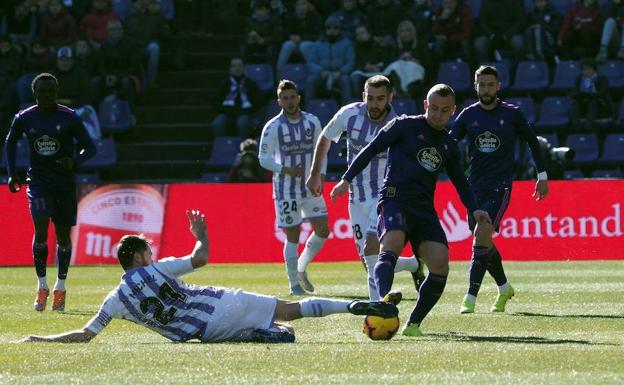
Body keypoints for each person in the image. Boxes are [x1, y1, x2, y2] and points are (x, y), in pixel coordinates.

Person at [16, 210, 398, 344]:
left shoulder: (114, 300)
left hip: (203, 333)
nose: (151, 254)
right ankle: (354, 306)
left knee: (283, 328)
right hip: (220, 302)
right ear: (137, 256)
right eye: (146, 250)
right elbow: (201, 259)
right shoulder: (158, 267)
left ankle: (260, 334)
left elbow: (85, 335)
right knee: (293, 311)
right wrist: (202, 237)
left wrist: (41, 337)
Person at [330, 84, 490, 337]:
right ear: (426, 105)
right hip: (394, 198)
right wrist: (346, 179)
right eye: (434, 108)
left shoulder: (449, 145)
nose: (438, 114)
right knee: (392, 243)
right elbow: (370, 149)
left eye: (444, 110)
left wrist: (474, 209)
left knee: (440, 265)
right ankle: (384, 301)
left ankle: (413, 324)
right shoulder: (404, 125)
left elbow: (461, 181)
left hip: (424, 209)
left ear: (453, 112)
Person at [306, 75, 422, 302]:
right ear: (363, 96)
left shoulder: (397, 125)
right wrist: (315, 174)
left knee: (371, 249)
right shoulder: (349, 114)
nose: (374, 104)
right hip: (355, 196)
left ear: (390, 98)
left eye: (380, 99)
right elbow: (326, 137)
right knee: (368, 259)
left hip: (383, 194)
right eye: (370, 98)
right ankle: (413, 263)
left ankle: (376, 308)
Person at [450, 65, 549, 315]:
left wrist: (542, 175)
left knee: (481, 234)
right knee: (484, 240)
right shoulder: (467, 115)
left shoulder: (512, 114)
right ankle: (504, 288)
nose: (486, 89)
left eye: (490, 84)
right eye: (481, 85)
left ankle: (470, 298)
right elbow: (448, 145)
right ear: (476, 87)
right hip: (473, 189)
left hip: (500, 186)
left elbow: (532, 142)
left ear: (498, 86)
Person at [4, 72, 97, 312]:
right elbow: (10, 141)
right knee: (41, 227)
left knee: (64, 236)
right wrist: (13, 172)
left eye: (50, 91)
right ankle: (42, 285)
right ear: (34, 93)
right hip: (38, 182)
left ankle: (61, 287)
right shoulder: (25, 118)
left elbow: (90, 147)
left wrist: (74, 161)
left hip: (64, 184)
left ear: (57, 92)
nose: (45, 95)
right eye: (41, 92)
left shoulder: (69, 117)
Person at [258, 80, 330, 295]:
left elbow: (322, 150)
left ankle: (300, 267)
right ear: (279, 101)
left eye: (293, 97)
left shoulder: (312, 121)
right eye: (285, 98)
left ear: (298, 98)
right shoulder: (273, 127)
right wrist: (285, 169)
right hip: (285, 190)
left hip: (311, 187)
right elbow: (263, 158)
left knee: (323, 230)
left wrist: (321, 175)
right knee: (293, 236)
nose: (289, 102)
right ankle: (294, 285)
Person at [211, 57, 261, 138]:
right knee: (217, 124)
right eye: (234, 66)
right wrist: (224, 110)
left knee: (242, 123)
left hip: (245, 112)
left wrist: (249, 110)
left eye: (240, 66)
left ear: (244, 68)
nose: (237, 68)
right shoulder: (224, 83)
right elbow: (216, 100)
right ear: (230, 69)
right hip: (227, 112)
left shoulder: (250, 83)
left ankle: (244, 147)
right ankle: (222, 146)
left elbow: (258, 101)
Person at [569, 59, 614, 133]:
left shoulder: (602, 78)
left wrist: (589, 94)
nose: (586, 71)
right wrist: (579, 95)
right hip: (583, 103)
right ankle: (577, 129)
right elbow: (574, 92)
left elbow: (602, 93)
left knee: (593, 103)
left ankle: (588, 128)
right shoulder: (579, 78)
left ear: (594, 70)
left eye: (589, 69)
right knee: (574, 105)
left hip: (599, 104)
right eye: (584, 69)